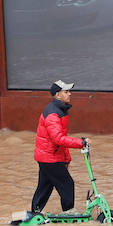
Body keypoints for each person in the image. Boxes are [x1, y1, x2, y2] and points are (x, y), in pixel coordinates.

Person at [30, 79, 89, 216]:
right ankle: (69, 213)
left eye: (69, 91)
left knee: (45, 186)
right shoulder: (53, 114)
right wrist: (81, 142)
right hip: (50, 158)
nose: (70, 94)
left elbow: (59, 140)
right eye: (66, 92)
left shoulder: (59, 110)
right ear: (57, 95)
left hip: (48, 156)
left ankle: (34, 213)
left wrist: (66, 159)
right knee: (67, 184)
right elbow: (58, 138)